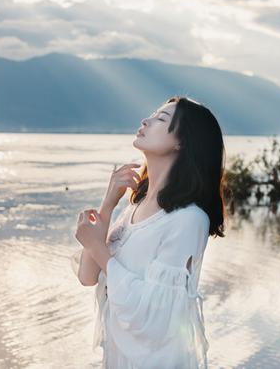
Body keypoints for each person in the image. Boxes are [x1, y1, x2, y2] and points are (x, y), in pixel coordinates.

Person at [71, 96, 226, 368]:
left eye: (161, 119)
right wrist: (108, 204)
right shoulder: (135, 207)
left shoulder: (189, 219)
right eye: (153, 114)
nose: (146, 120)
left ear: (182, 142)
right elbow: (87, 276)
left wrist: (96, 246)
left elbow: (154, 319)